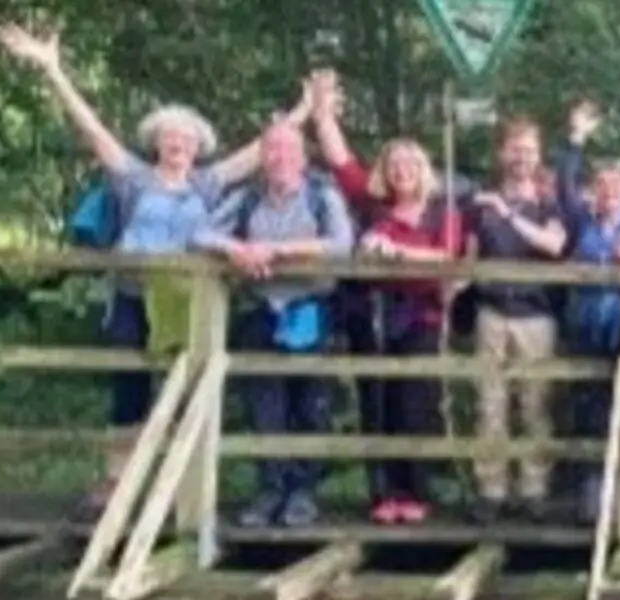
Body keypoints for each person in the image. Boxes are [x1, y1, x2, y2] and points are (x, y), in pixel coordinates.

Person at [0, 22, 317, 521]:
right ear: (156, 143)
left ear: (198, 145)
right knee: (128, 386)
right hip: (130, 293)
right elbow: (93, 130)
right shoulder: (132, 178)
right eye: (168, 137)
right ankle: (119, 482)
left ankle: (175, 485)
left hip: (187, 299)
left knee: (183, 388)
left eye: (185, 138)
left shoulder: (208, 185)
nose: (177, 144)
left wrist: (304, 110)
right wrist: (52, 68)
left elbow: (262, 150)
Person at [311, 70, 467, 526]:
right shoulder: (373, 206)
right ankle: (381, 493)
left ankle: (413, 490)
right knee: (375, 401)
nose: (401, 171)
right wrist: (321, 109)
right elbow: (339, 158)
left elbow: (446, 259)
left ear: (423, 171)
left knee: (413, 404)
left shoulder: (443, 212)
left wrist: (397, 252)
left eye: (409, 164)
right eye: (394, 164)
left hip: (419, 317)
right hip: (373, 315)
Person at [192, 124, 357, 527]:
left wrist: (277, 250)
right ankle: (270, 489)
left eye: (288, 149)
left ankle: (302, 492)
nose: (280, 157)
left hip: (311, 310)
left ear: (302, 157)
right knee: (264, 406)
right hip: (261, 310)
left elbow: (340, 245)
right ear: (263, 157)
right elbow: (198, 233)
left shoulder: (323, 196)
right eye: (272, 149)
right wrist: (236, 250)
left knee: (310, 404)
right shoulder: (247, 198)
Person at [551, 100, 620, 526]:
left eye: (616, 185)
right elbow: (562, 183)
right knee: (586, 409)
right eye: (602, 185)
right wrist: (575, 138)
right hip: (583, 328)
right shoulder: (581, 222)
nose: (609, 192)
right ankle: (591, 491)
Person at [465, 117, 571, 523]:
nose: (522, 157)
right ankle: (492, 489)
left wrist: (508, 213)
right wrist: (455, 283)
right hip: (492, 312)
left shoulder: (548, 202)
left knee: (535, 405)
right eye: (515, 148)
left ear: (538, 154)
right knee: (490, 404)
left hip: (535, 315)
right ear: (502, 153)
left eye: (529, 150)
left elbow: (554, 243)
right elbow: (471, 255)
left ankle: (534, 489)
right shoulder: (480, 204)